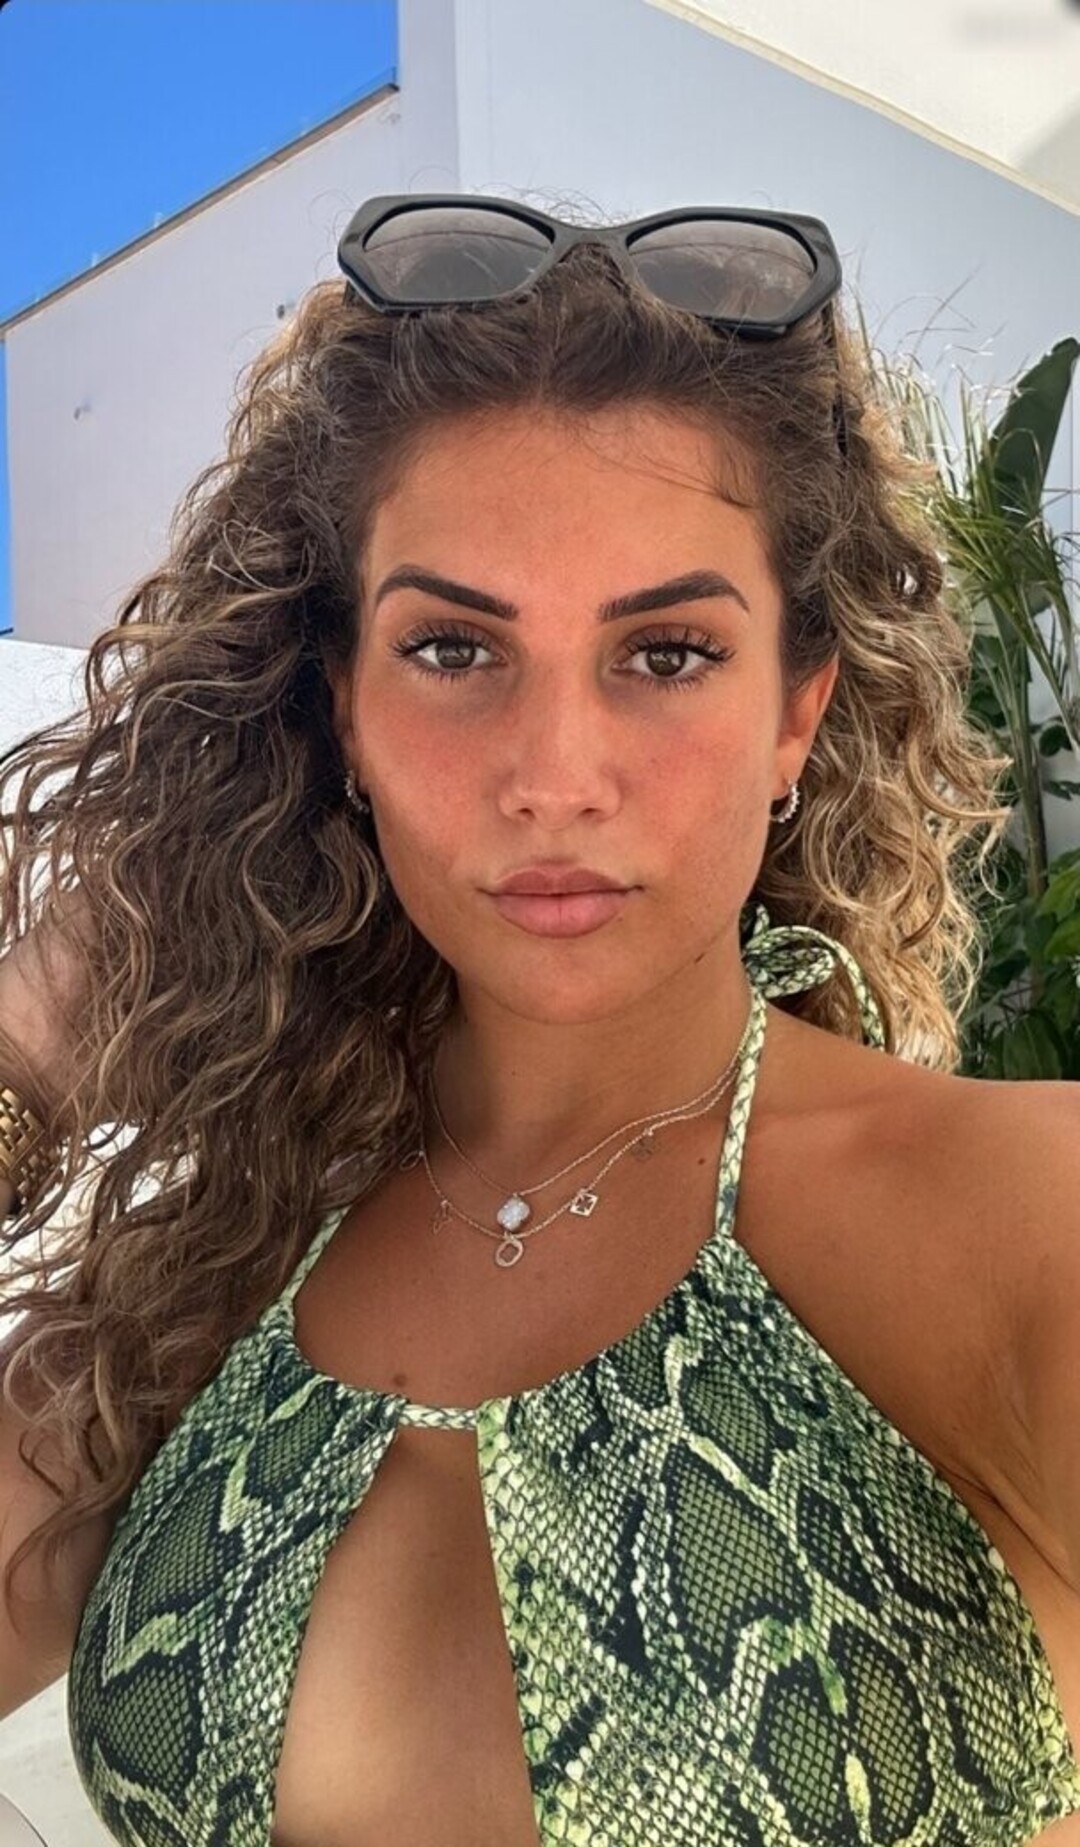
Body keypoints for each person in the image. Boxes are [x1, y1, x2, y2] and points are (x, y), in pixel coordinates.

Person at [0, 194, 1077, 1847]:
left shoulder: (1019, 1219)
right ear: (342, 714)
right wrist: (34, 1043)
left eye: (667, 654)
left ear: (796, 714)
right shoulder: (225, 1261)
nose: (555, 777)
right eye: (452, 649)